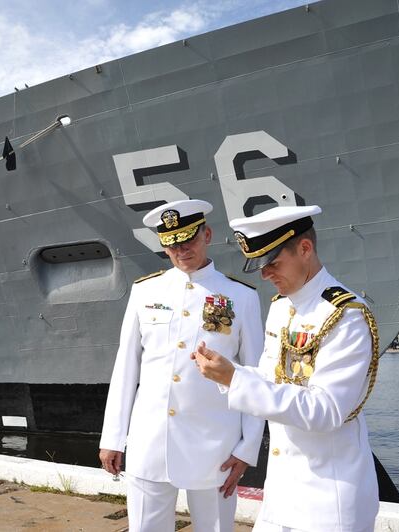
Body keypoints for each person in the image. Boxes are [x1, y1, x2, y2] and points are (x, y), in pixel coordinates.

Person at [192, 205, 381, 532]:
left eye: (273, 263)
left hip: (328, 500)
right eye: (260, 267)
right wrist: (227, 375)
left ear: (305, 249)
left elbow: (326, 411)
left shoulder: (346, 316)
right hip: (282, 493)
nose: (265, 275)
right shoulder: (281, 308)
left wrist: (235, 380)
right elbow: (269, 380)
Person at [99, 199, 265, 532]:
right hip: (151, 443)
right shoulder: (145, 292)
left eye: (188, 238)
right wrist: (113, 437)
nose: (181, 249)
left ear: (207, 234)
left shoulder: (241, 297)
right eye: (172, 243)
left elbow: (255, 376)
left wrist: (247, 449)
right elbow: (126, 366)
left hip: (216, 448)